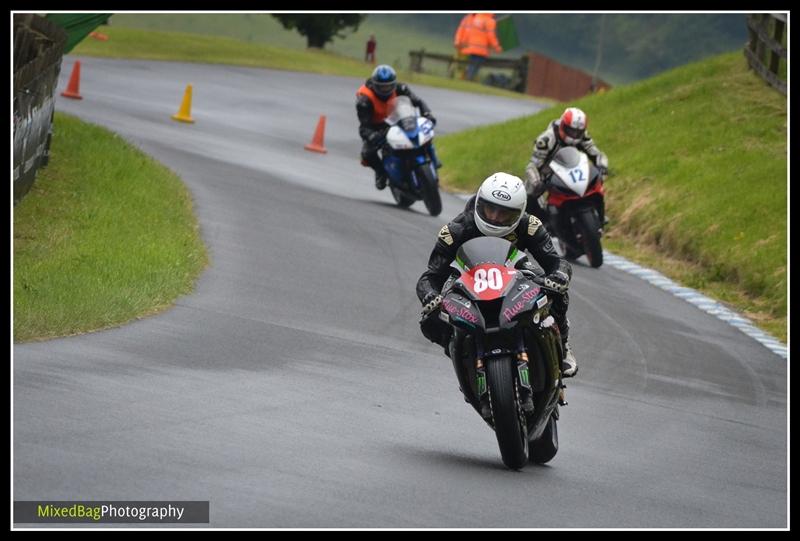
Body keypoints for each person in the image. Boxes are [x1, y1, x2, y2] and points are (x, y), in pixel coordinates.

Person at [416, 172, 578, 378]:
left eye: (504, 214)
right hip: (469, 281)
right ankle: (461, 353)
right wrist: (430, 296)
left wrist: (559, 276)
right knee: (430, 319)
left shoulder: (529, 226)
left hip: (517, 275)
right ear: (479, 204)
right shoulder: (456, 230)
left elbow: (556, 262)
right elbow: (430, 277)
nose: (494, 217)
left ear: (519, 213)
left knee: (557, 292)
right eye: (489, 209)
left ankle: (563, 344)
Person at [356, 64, 440, 190]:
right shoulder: (364, 100)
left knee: (424, 133)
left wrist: (427, 113)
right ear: (374, 85)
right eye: (381, 87)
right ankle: (381, 173)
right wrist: (372, 136)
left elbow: (418, 101)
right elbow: (364, 126)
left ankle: (433, 159)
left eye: (388, 86)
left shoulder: (401, 88)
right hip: (378, 127)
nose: (385, 90)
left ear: (394, 84)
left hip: (401, 119)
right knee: (367, 153)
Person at [523, 107, 609, 223]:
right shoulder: (546, 139)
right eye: (571, 131)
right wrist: (536, 182)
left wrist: (602, 167)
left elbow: (596, 154)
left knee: (596, 183)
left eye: (578, 132)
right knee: (530, 192)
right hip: (548, 173)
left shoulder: (583, 136)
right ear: (563, 125)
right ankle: (531, 224)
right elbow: (532, 165)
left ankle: (600, 215)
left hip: (573, 170)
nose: (574, 135)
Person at [461, 13, 502, 82]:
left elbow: (469, 31)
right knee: (475, 66)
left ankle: (467, 78)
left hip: (472, 47)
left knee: (471, 65)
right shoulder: (490, 21)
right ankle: (468, 80)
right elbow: (491, 37)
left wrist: (464, 43)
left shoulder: (477, 18)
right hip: (481, 49)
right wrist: (497, 47)